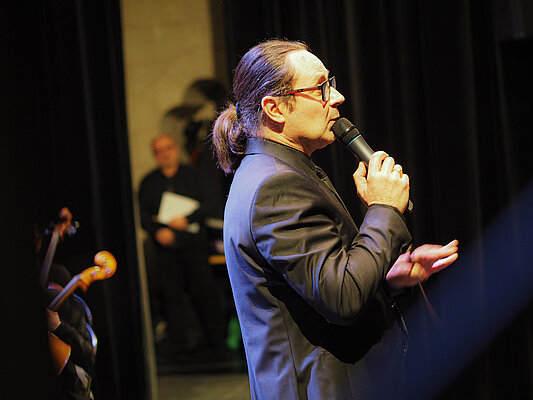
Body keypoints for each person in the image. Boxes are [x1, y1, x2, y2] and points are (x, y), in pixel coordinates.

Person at [211, 39, 459, 399]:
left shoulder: (278, 172)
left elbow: (318, 285)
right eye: (321, 87)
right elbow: (342, 299)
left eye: (332, 83)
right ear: (275, 108)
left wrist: (385, 276)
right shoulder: (276, 187)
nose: (338, 97)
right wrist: (384, 209)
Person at [138, 134, 227, 363]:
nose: (164, 154)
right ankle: (178, 347)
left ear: (175, 149)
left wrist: (187, 219)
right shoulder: (148, 183)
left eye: (167, 149)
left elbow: (210, 203)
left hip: (194, 245)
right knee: (171, 297)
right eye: (159, 151)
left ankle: (215, 344)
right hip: (165, 249)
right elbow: (143, 216)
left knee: (206, 292)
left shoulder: (193, 175)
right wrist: (158, 231)